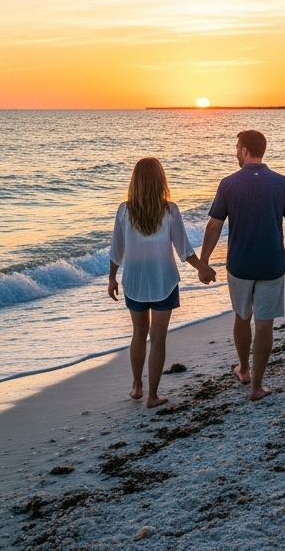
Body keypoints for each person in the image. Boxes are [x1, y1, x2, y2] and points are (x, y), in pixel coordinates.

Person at [200, 130, 285, 402]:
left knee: (242, 318)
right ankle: (257, 386)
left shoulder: (229, 184)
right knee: (265, 325)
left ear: (245, 150)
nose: (235, 152)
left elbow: (214, 225)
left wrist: (204, 261)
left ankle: (244, 369)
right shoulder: (281, 183)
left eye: (237, 147)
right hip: (272, 264)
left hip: (240, 265)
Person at [108, 157, 215, 407]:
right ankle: (152, 396)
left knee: (138, 334)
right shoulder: (169, 211)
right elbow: (184, 250)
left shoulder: (125, 210)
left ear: (135, 182)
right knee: (157, 338)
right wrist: (204, 269)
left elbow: (116, 250)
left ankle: (137, 386)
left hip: (134, 281)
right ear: (160, 181)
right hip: (163, 280)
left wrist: (112, 278)